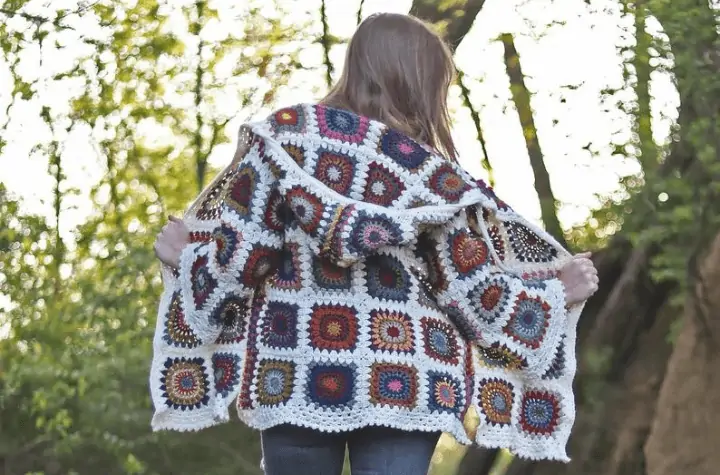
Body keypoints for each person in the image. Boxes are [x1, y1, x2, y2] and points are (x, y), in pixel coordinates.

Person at [150, 12, 598, 475]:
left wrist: (186, 260)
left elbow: (242, 260)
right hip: (408, 379)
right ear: (418, 84)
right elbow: (475, 294)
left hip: (295, 367)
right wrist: (556, 293)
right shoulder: (434, 181)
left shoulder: (283, 141)